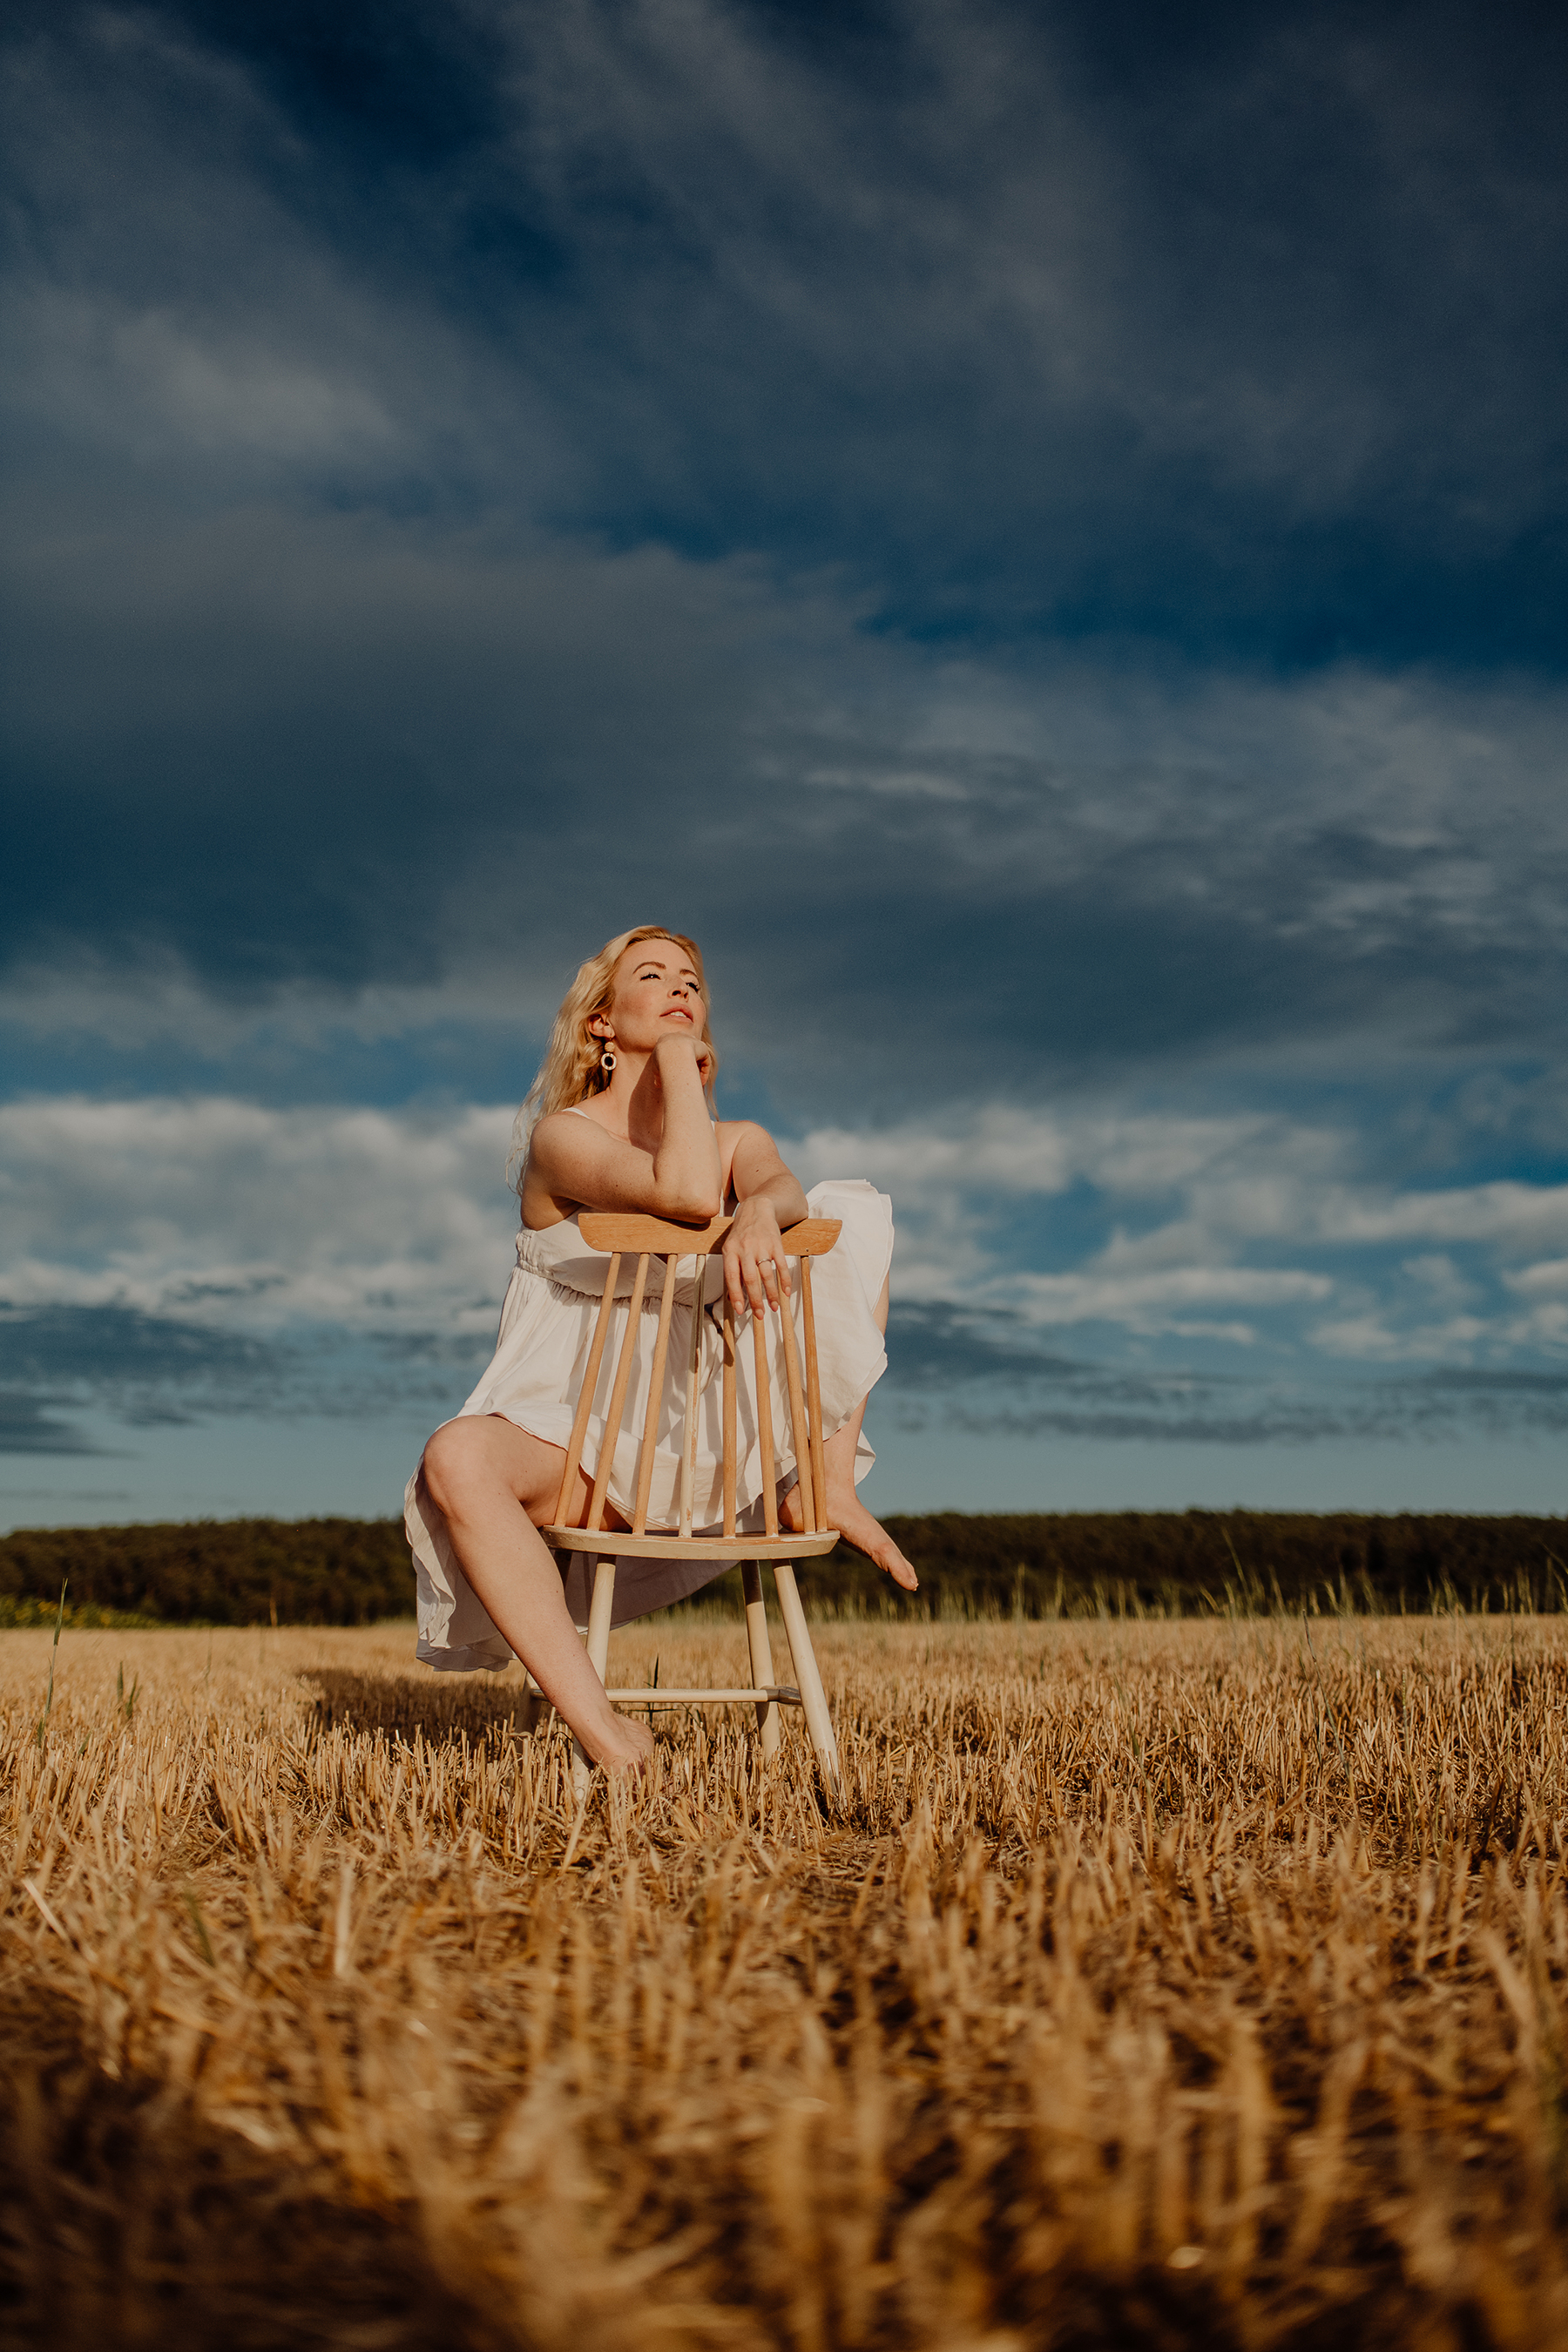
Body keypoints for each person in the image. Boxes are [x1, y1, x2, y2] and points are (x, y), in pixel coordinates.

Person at [405, 925, 916, 1775]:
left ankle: (820, 1479)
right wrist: (680, 1063)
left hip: (707, 1445)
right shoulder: (563, 1139)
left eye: (693, 982)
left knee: (849, 1209)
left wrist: (759, 1210)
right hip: (570, 1439)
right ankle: (610, 1735)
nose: (682, 989)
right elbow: (682, 1195)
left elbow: (779, 1183)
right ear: (602, 1022)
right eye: (654, 976)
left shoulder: (733, 1139)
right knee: (455, 1456)